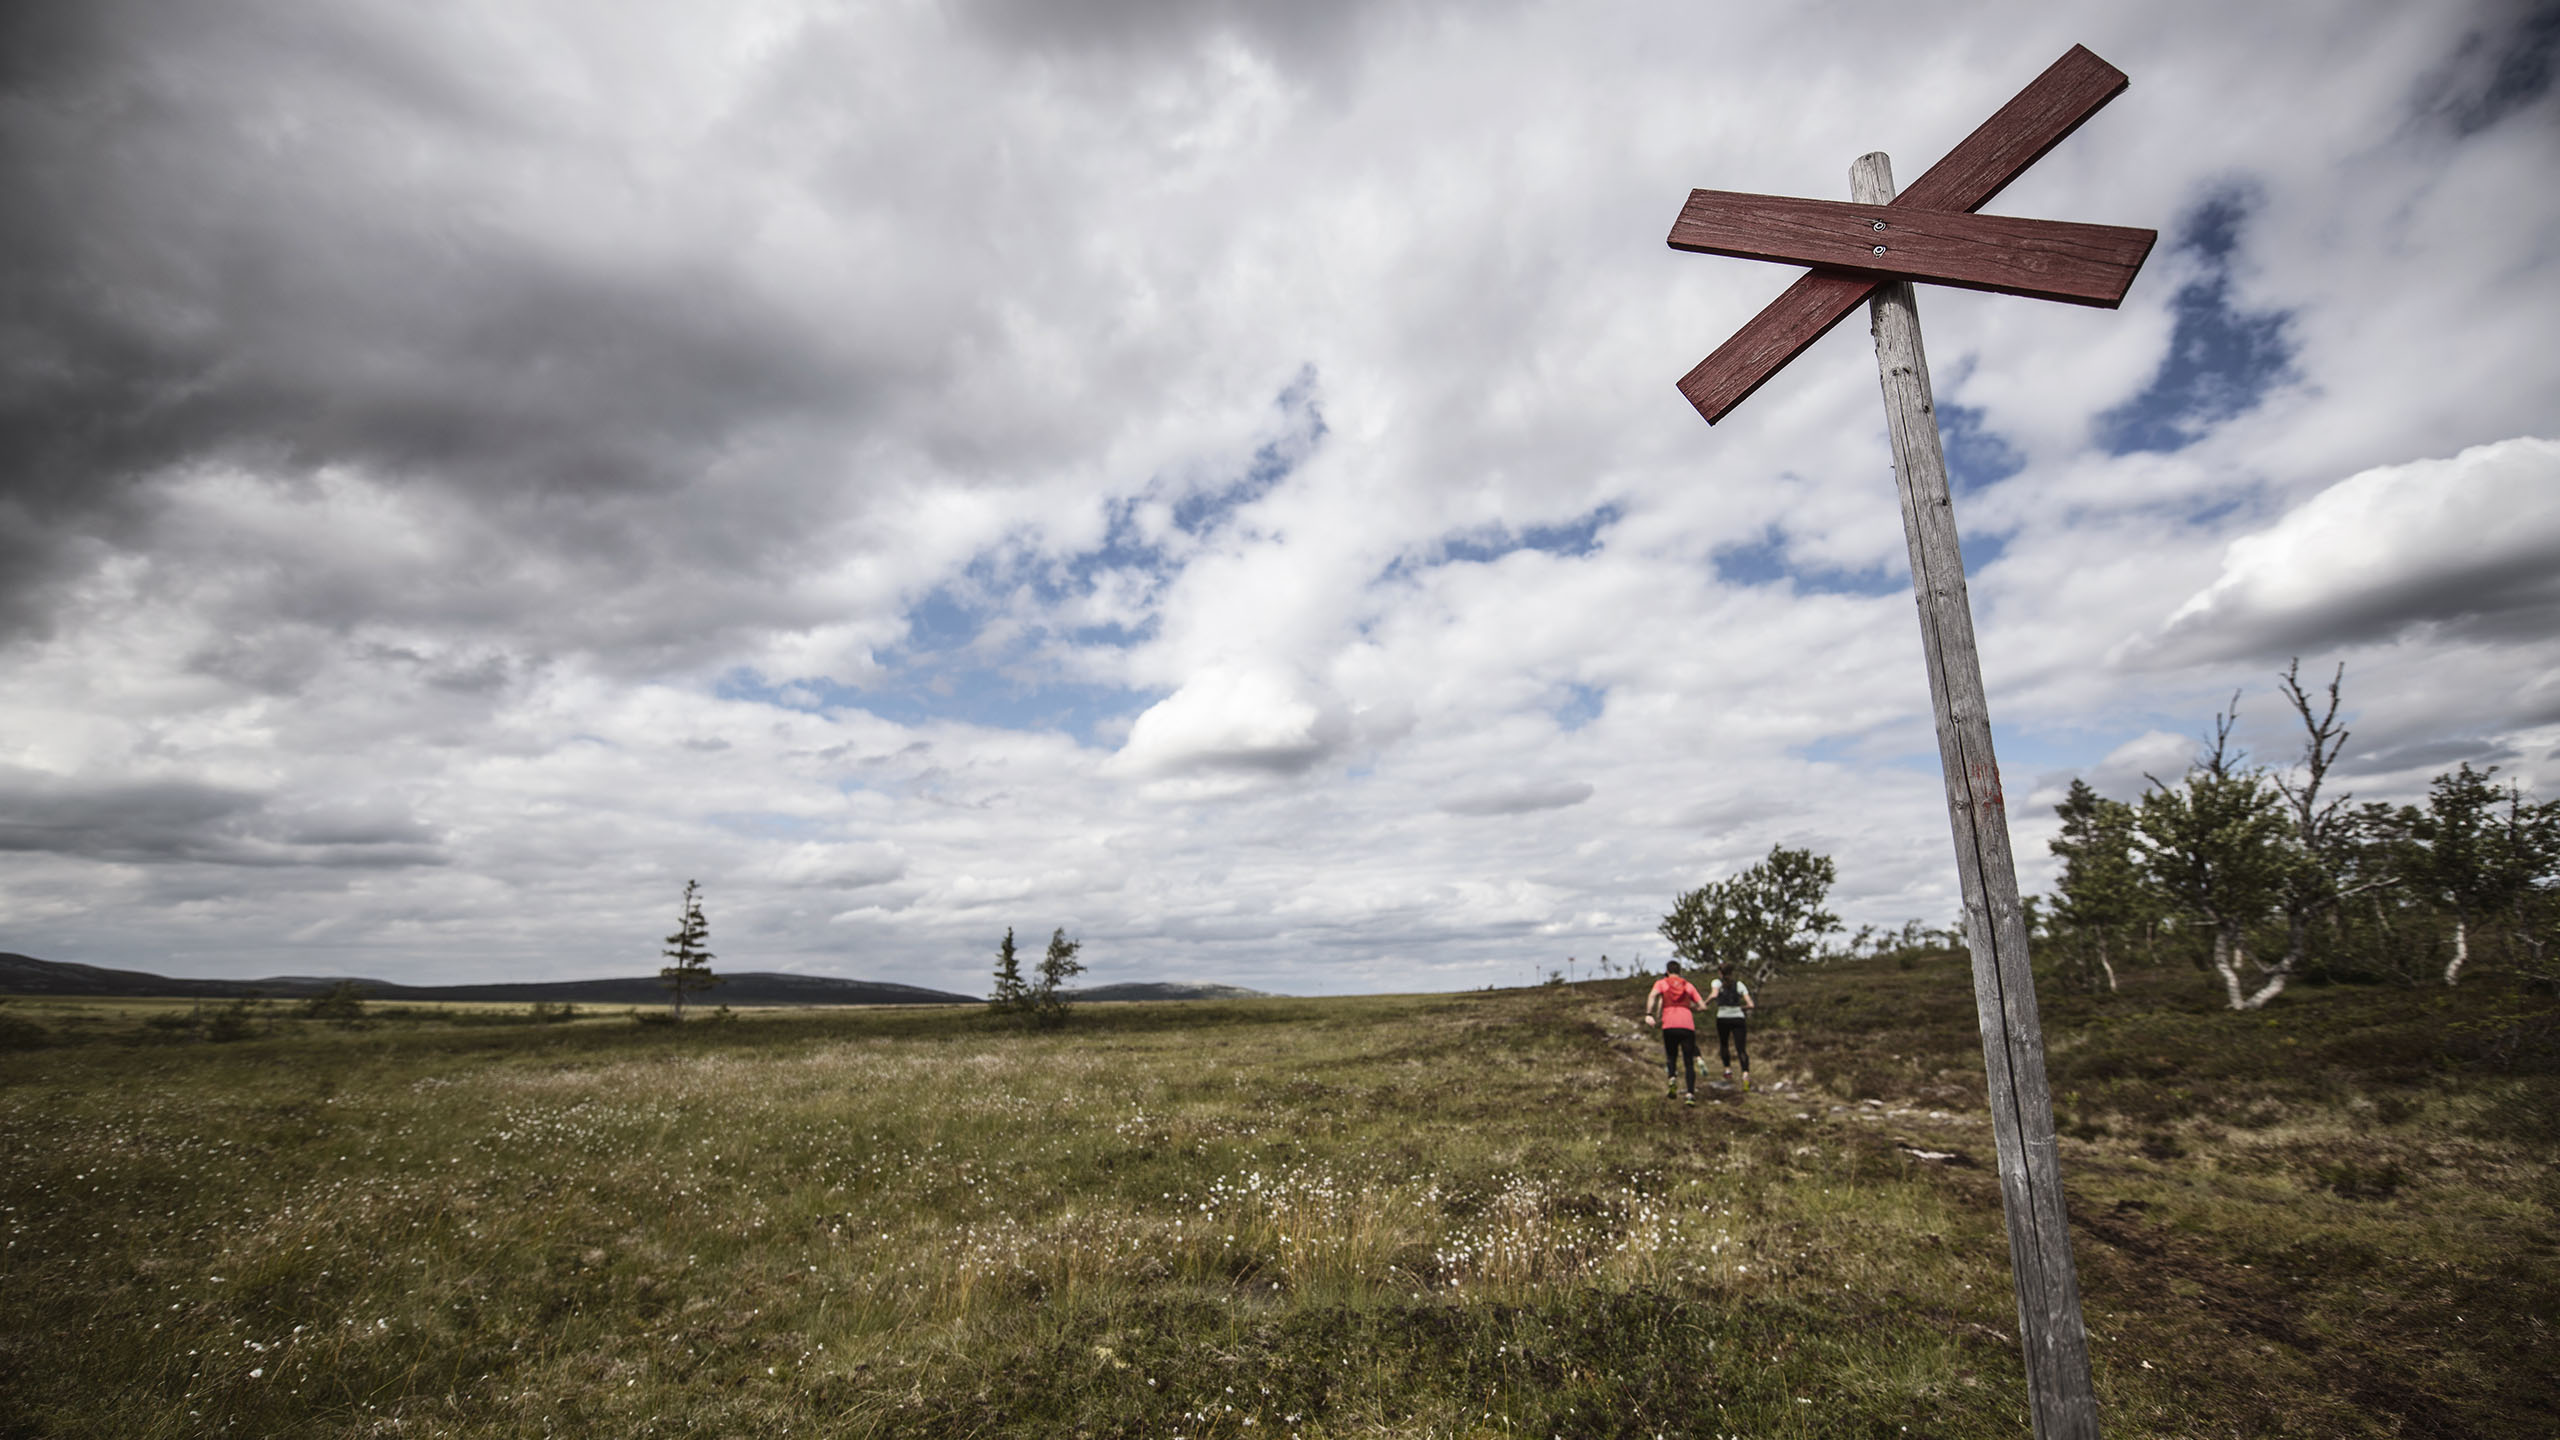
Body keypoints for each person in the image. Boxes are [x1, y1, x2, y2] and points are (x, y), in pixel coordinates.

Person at [1644, 960, 1706, 1104]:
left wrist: (1649, 1014)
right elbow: (1702, 1005)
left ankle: (1672, 1078)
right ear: (1680, 971)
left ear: (1667, 971)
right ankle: (1690, 1094)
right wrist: (1692, 1008)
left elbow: (1652, 996)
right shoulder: (1688, 985)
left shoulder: (1662, 983)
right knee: (1688, 1062)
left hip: (1669, 1024)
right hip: (1687, 1025)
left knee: (1671, 1056)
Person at [1709, 962, 1755, 1091]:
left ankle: (1727, 1070)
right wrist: (1741, 1008)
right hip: (1738, 1018)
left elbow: (1714, 995)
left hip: (1722, 1017)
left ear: (1720, 972)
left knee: (1724, 1044)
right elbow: (1751, 1005)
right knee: (1741, 1048)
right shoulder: (1739, 984)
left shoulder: (1716, 983)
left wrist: (1704, 1003)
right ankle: (1745, 1074)